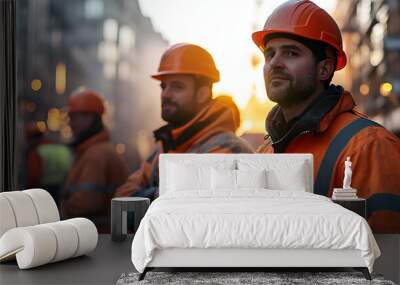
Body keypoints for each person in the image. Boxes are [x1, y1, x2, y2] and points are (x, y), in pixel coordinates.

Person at [253, 0, 400, 233]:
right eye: (269, 54)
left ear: (324, 69)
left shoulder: (370, 147)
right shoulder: (265, 152)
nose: (275, 64)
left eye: (291, 53)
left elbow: (390, 258)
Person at [115, 43, 253, 199]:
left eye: (177, 87)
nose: (165, 94)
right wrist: (160, 195)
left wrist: (147, 196)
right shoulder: (165, 145)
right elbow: (123, 196)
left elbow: (191, 209)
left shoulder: (228, 150)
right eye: (163, 86)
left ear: (202, 94)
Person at [60, 88, 129, 233]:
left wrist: (59, 212)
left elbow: (86, 203)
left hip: (99, 237)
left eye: (73, 117)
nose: (70, 124)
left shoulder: (96, 155)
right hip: (98, 235)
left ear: (89, 118)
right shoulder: (93, 151)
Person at [24, 122, 72, 204]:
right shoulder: (64, 150)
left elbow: (34, 176)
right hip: (65, 190)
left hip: (44, 191)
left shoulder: (37, 152)